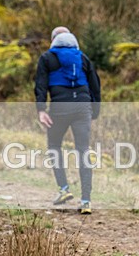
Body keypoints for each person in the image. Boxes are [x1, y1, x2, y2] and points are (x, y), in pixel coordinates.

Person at [34, 26, 101, 214]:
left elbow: (40, 84)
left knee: (54, 146)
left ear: (53, 39)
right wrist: (94, 110)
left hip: (59, 108)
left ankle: (64, 189)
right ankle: (86, 201)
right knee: (83, 150)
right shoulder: (83, 57)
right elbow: (95, 85)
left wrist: (41, 110)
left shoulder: (47, 57)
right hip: (82, 107)